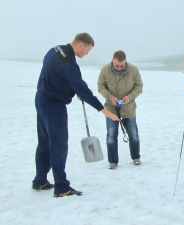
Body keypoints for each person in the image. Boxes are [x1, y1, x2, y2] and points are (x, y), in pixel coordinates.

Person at [32, 33, 119, 198]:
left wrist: (69, 88)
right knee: (59, 145)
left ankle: (40, 180)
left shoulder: (54, 50)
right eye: (87, 50)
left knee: (44, 142)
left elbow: (53, 74)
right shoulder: (69, 63)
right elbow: (82, 88)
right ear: (81, 44)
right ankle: (61, 187)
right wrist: (104, 110)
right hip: (53, 105)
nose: (87, 54)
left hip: (41, 99)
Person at [98, 50, 143, 169]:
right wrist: (109, 97)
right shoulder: (105, 69)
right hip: (110, 109)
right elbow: (100, 86)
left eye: (122, 65)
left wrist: (129, 97)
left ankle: (136, 157)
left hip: (129, 109)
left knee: (134, 135)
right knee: (111, 136)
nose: (119, 67)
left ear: (125, 61)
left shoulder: (134, 70)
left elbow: (139, 87)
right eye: (117, 65)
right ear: (113, 60)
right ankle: (113, 162)